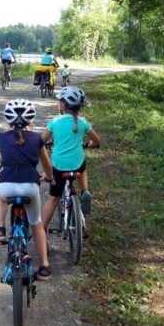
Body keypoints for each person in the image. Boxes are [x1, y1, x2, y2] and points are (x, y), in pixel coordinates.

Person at [0, 99, 55, 280]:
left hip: (6, 185)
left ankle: (0, 228)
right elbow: (47, 166)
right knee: (37, 224)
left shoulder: (1, 137)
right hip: (30, 187)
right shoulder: (37, 139)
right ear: (30, 121)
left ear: (8, 120)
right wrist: (48, 177)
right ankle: (45, 266)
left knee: (1, 197)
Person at [41, 86, 101, 233]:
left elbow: (40, 142)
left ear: (62, 105)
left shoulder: (54, 122)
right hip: (77, 165)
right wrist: (88, 144)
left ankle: (40, 231)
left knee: (53, 199)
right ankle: (84, 190)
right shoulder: (83, 122)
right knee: (83, 168)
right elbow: (97, 141)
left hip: (59, 167)